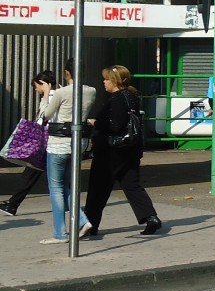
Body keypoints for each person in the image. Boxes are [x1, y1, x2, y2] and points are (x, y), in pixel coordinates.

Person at [82, 65, 162, 237]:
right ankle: (151, 217)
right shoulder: (132, 96)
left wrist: (95, 122)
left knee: (98, 187)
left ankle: (90, 224)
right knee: (131, 185)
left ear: (115, 81)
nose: (104, 82)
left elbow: (115, 125)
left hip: (111, 151)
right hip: (130, 149)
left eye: (106, 79)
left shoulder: (117, 99)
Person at [39, 59, 96, 244]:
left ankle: (61, 233)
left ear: (66, 73)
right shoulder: (91, 91)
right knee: (67, 186)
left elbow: (46, 115)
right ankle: (81, 220)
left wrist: (46, 95)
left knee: (56, 187)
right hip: (78, 144)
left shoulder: (61, 92)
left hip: (58, 143)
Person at [0, 75, 46, 215]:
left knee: (31, 175)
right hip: (45, 143)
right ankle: (12, 204)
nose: (35, 89)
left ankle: (12, 205)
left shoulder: (51, 97)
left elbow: (45, 117)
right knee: (33, 174)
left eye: (36, 86)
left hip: (44, 144)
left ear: (42, 83)